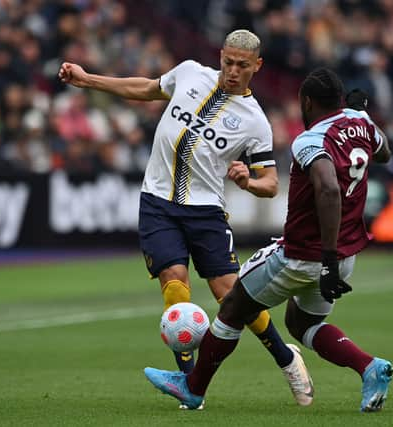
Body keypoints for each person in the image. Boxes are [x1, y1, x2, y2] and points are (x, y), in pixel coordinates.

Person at [58, 29, 311, 406]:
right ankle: (191, 385)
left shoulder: (255, 121)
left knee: (230, 294)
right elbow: (146, 88)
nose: (232, 71)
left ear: (257, 67)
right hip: (157, 201)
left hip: (206, 211)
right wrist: (87, 79)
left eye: (242, 66)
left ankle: (286, 358)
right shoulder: (191, 72)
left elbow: (272, 183)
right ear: (221, 56)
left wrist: (248, 182)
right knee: (175, 285)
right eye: (228, 62)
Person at [144, 68, 393, 413]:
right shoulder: (361, 124)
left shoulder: (310, 141)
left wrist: (327, 258)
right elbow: (383, 153)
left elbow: (328, 187)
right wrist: (361, 116)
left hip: (303, 254)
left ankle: (192, 387)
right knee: (302, 324)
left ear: (306, 101)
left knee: (232, 306)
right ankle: (369, 367)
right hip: (347, 251)